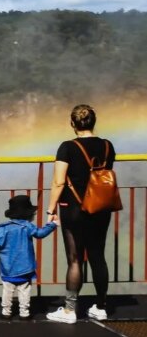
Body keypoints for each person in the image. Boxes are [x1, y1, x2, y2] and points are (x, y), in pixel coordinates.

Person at [45, 104, 115, 324]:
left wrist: (50, 210)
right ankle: (101, 307)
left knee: (75, 260)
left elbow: (58, 181)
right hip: (101, 207)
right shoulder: (107, 146)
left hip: (73, 208)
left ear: (72, 124)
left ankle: (69, 310)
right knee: (98, 257)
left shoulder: (67, 147)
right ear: (93, 122)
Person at [0, 195, 57, 319]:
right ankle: (24, 312)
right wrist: (52, 225)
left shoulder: (3, 228)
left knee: (7, 290)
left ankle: (6, 311)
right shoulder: (27, 227)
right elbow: (40, 234)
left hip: (7, 267)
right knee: (24, 289)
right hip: (25, 267)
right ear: (28, 214)